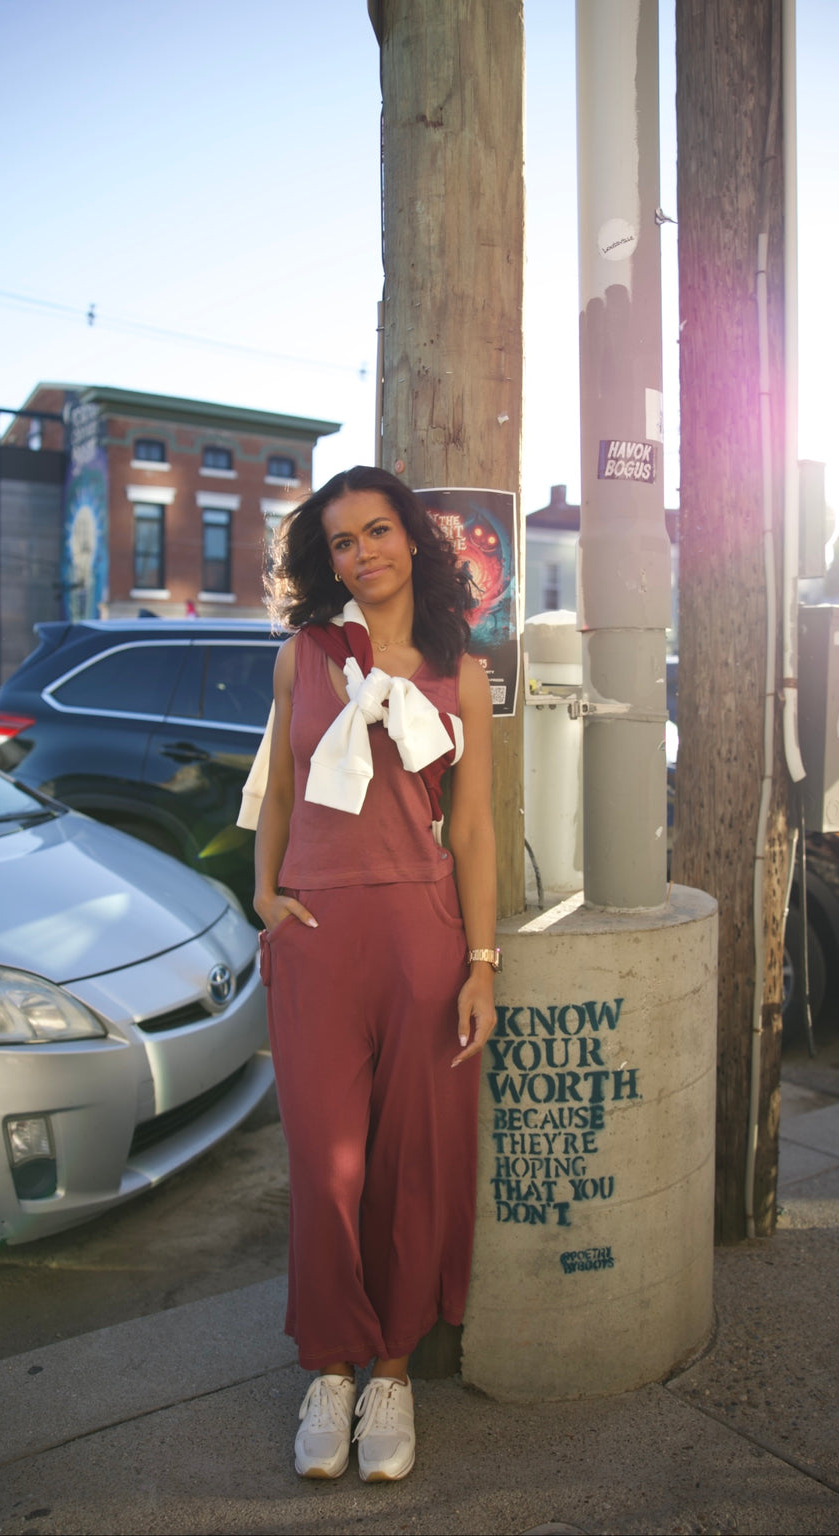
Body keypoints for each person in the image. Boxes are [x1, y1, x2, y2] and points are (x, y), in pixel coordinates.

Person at [250, 465, 498, 1483]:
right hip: (317, 934)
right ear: (328, 559)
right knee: (325, 1166)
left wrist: (482, 960)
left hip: (421, 933)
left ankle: (391, 1370)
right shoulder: (301, 658)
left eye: (378, 530)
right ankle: (330, 1368)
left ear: (413, 540)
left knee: (413, 1160)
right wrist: (266, 899)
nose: (363, 552)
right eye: (342, 541)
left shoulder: (462, 671)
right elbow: (272, 796)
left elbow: (474, 827)